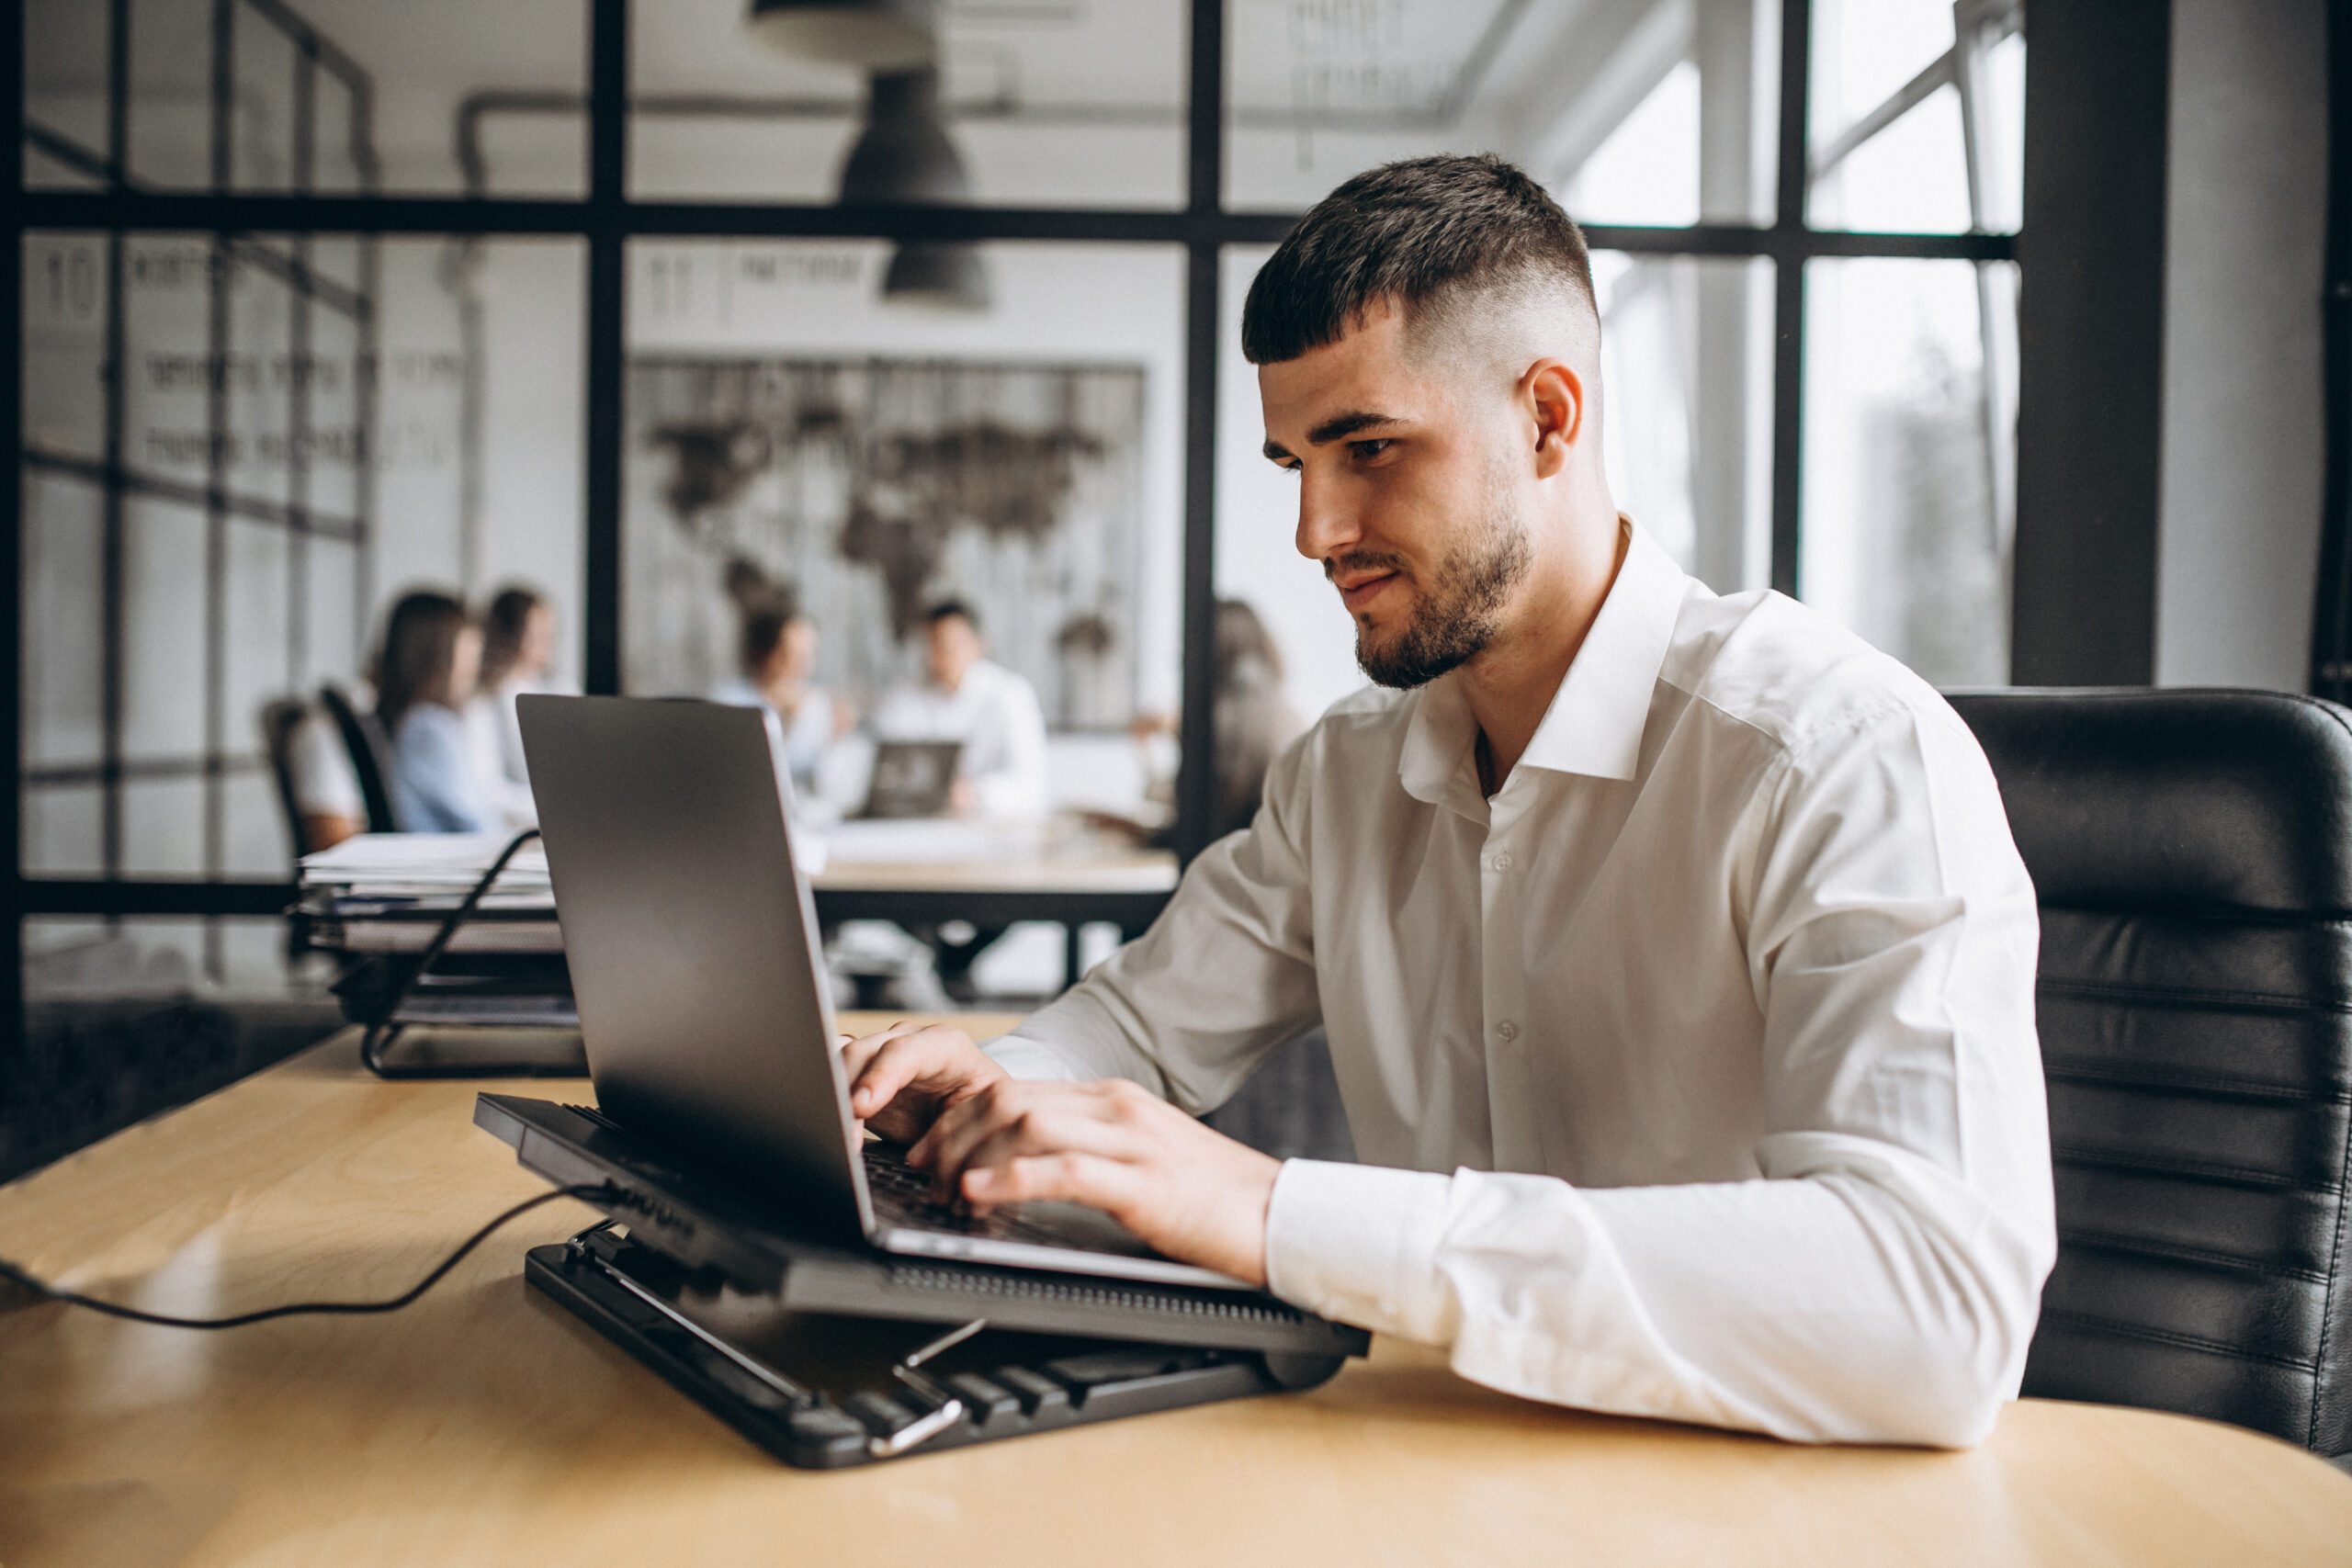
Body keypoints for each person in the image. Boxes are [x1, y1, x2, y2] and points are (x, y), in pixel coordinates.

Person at [838, 155, 2054, 1449]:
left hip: (1751, 1508)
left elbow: (1940, 1305)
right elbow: (1135, 1024)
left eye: (1368, 449)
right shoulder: (1348, 771)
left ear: (1547, 418)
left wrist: (1273, 1214)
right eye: (1295, 460)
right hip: (1427, 1462)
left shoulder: (1839, 755)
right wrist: (984, 1092)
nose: (1315, 529)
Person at [870, 600, 1051, 822]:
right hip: (916, 828)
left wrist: (975, 794)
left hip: (993, 829)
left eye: (955, 644)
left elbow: (1032, 785)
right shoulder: (902, 699)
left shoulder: (1011, 695)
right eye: (935, 645)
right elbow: (885, 780)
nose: (945, 655)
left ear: (980, 644)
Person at [710, 576, 850, 798]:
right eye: (790, 656)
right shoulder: (727, 702)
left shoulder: (818, 706)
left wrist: (835, 738)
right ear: (765, 653)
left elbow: (829, 786)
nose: (801, 668)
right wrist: (784, 722)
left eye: (806, 656)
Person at [376, 591, 493, 834]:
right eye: (467, 661)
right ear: (435, 659)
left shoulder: (408, 720)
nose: (474, 673)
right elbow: (480, 826)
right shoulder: (430, 729)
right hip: (455, 862)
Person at [465, 584, 558, 829]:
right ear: (511, 636)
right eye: (538, 637)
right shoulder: (482, 703)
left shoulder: (556, 688)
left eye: (550, 636)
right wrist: (552, 808)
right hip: (517, 823)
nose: (547, 646)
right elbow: (489, 788)